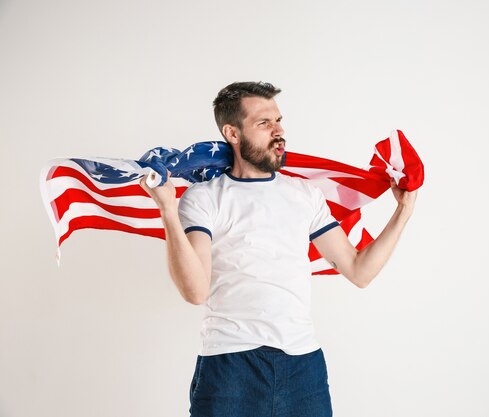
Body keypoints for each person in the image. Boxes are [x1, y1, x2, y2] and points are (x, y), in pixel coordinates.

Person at [140, 81, 417, 417]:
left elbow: (359, 271)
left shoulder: (305, 195)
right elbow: (195, 291)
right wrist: (168, 210)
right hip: (230, 365)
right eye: (264, 123)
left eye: (279, 120)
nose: (279, 131)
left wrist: (403, 210)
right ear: (233, 133)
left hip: (303, 367)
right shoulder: (205, 198)